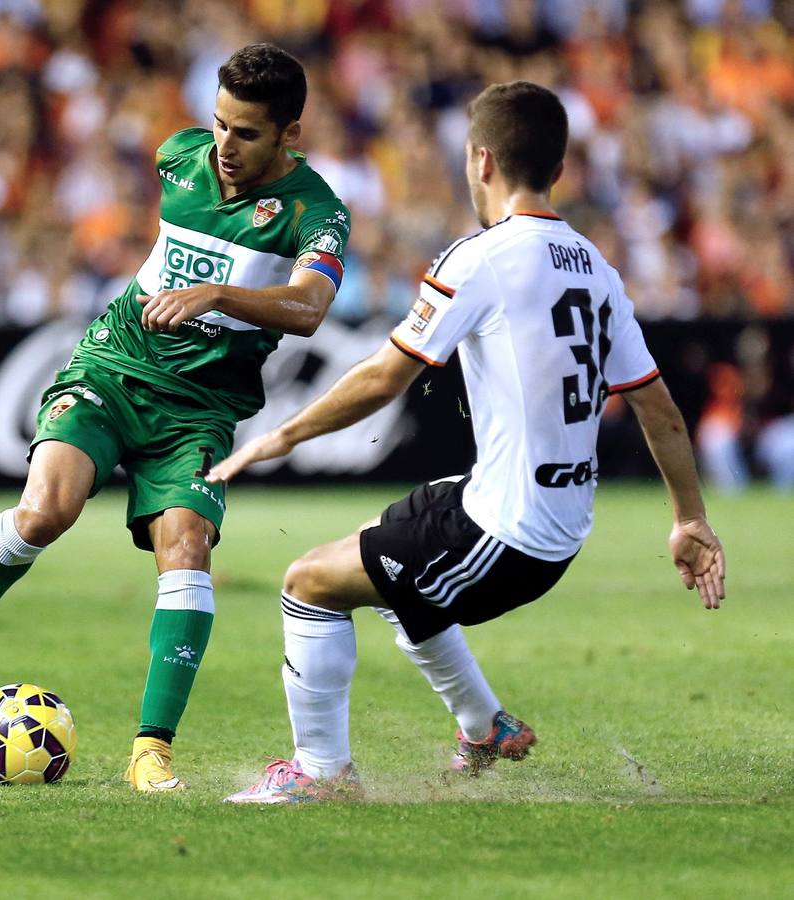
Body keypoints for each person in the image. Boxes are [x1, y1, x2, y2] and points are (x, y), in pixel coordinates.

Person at [206, 81, 726, 804]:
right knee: (380, 551)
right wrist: (689, 519)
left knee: (308, 585)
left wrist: (279, 436)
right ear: (558, 167)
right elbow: (660, 410)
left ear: (480, 161)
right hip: (548, 520)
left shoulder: (480, 258)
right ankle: (485, 726)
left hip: (506, 534)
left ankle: (320, 773)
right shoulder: (596, 268)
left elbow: (386, 377)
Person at [0, 43, 351, 792]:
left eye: (246, 133)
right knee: (47, 511)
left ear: (290, 134)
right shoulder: (178, 155)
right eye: (218, 124)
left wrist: (215, 295)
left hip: (201, 411)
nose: (224, 146)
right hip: (113, 368)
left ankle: (151, 751)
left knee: (186, 549)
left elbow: (311, 307)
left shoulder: (317, 211)